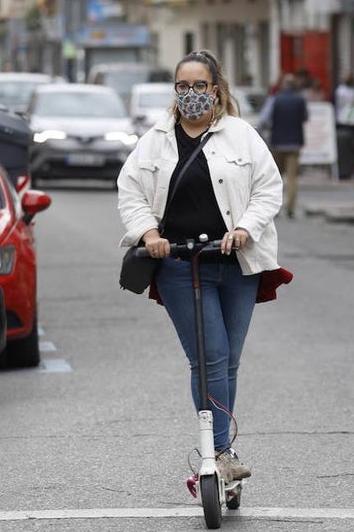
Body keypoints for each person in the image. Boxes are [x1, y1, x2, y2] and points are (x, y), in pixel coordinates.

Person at [117, 50, 283, 484]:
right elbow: (130, 191)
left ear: (216, 89)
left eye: (199, 86)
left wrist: (246, 228)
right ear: (175, 91)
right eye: (182, 86)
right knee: (209, 359)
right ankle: (219, 453)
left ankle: (221, 449)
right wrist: (149, 235)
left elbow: (268, 190)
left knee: (228, 363)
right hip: (178, 265)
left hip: (235, 264)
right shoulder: (155, 140)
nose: (191, 94)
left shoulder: (242, 136)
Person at [263, 74, 309, 219]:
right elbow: (305, 117)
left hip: (277, 143)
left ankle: (274, 208)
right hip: (294, 143)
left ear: (283, 85)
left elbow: (264, 119)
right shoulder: (300, 100)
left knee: (276, 176)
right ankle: (290, 208)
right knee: (292, 177)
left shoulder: (275, 100)